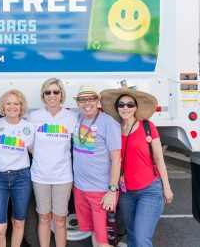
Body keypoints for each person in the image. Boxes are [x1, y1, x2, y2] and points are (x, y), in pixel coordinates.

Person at [100, 89, 173, 247]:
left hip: (150, 190)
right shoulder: (114, 129)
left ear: (135, 108)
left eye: (130, 104)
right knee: (132, 236)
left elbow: (159, 158)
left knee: (141, 238)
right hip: (126, 193)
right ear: (117, 108)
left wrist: (166, 187)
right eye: (121, 104)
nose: (125, 108)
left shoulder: (147, 126)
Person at [27, 78, 77, 247]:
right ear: (43, 95)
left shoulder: (71, 117)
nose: (52, 95)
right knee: (43, 217)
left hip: (63, 177)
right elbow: (29, 145)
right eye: (48, 92)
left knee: (60, 219)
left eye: (56, 92)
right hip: (40, 176)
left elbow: (80, 145)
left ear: (61, 94)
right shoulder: (34, 117)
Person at [72, 85, 121, 247]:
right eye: (82, 100)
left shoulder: (108, 122)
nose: (87, 103)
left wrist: (112, 191)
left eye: (91, 99)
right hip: (80, 189)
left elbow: (116, 159)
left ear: (97, 101)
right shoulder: (77, 119)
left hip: (100, 192)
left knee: (104, 241)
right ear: (78, 103)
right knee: (94, 233)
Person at [0, 89, 34, 247]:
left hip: (22, 178)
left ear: (21, 107)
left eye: (16, 103)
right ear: (3, 106)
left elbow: (35, 151)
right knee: (0, 228)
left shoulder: (29, 127)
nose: (12, 106)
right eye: (8, 103)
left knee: (18, 222)